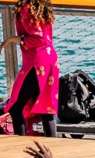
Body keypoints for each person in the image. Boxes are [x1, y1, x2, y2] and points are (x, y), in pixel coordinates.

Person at [1, 0, 59, 137]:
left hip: (37, 64)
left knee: (15, 107)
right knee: (46, 109)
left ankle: (20, 144)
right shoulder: (40, 5)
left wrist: (12, 40)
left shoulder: (26, 8)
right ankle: (53, 145)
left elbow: (38, 39)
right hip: (49, 60)